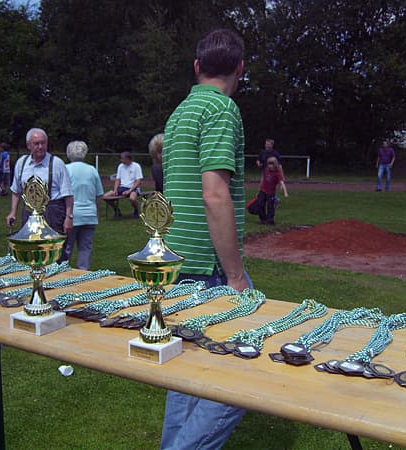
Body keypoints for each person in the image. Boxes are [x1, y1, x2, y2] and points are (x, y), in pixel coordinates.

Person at [160, 28, 252, 450]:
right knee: (243, 369)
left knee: (185, 373)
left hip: (175, 263)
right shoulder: (222, 110)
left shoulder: (179, 114)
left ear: (197, 67)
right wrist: (234, 275)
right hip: (210, 269)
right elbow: (214, 194)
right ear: (240, 68)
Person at [6, 128, 74, 261]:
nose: (40, 147)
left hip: (52, 212)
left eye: (43, 143)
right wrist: (12, 212)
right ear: (28, 145)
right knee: (30, 250)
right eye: (36, 143)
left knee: (54, 252)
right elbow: (16, 191)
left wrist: (69, 217)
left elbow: (68, 195)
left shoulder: (57, 163)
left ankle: (58, 277)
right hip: (29, 212)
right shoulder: (21, 163)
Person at [63, 140, 104, 270]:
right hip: (89, 215)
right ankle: (83, 274)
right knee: (85, 250)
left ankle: (62, 274)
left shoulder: (65, 169)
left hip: (71, 216)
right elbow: (99, 194)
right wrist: (95, 209)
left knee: (66, 249)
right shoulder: (92, 170)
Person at [103, 151, 143, 218]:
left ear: (128, 158)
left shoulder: (136, 166)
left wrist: (129, 191)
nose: (121, 160)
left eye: (122, 158)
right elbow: (118, 180)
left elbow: (139, 181)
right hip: (122, 187)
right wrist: (115, 190)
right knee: (105, 196)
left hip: (133, 188)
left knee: (132, 198)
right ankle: (116, 210)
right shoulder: (120, 166)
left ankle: (136, 211)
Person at [256, 156, 288, 225]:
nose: (270, 166)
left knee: (270, 206)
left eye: (271, 164)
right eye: (268, 164)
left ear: (275, 165)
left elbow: (282, 182)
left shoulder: (277, 173)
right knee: (260, 204)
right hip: (263, 190)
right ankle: (263, 219)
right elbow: (262, 179)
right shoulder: (266, 170)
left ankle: (270, 220)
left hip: (271, 192)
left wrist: (285, 192)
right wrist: (259, 189)